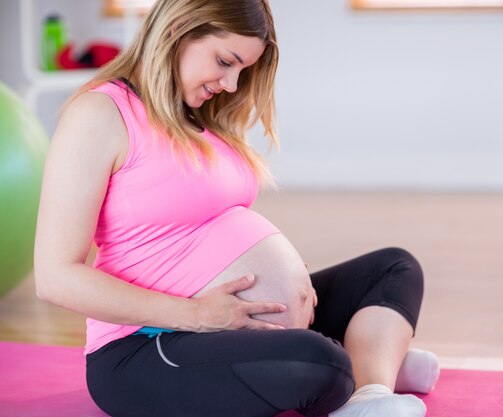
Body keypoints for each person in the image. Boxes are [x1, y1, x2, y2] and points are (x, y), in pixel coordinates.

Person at [33, 0, 440, 416]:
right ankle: (364, 357)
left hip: (229, 322)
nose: (230, 84)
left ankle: (369, 390)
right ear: (178, 30)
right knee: (319, 363)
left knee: (393, 267)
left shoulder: (200, 119)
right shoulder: (100, 114)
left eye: (242, 70)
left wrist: (291, 291)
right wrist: (195, 315)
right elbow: (56, 277)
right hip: (143, 347)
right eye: (225, 61)